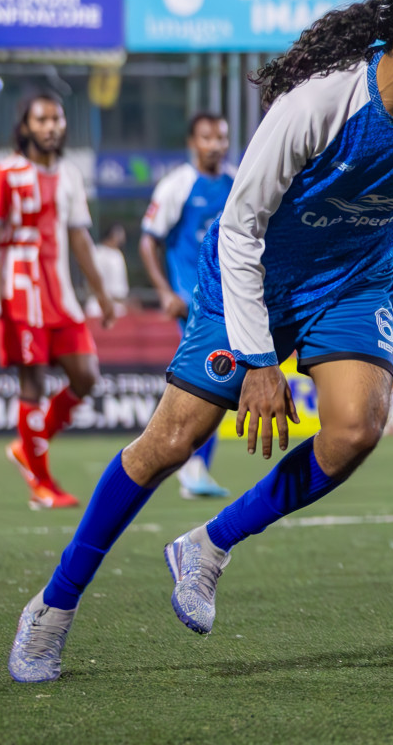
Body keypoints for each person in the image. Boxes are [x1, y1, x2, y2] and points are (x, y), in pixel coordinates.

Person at [8, 0, 393, 683]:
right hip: (258, 275)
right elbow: (240, 231)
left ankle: (209, 544)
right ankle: (53, 607)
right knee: (171, 441)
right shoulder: (319, 103)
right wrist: (261, 362)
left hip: (354, 281)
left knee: (357, 428)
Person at [0, 93, 118, 509]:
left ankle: (27, 446)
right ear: (26, 127)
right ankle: (41, 484)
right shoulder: (7, 173)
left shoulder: (68, 174)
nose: (50, 126)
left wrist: (102, 295)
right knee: (31, 383)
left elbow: (80, 237)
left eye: (56, 119)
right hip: (19, 293)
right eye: (42, 120)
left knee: (86, 376)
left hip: (60, 296)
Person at [140, 112, 235, 498]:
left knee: (220, 378)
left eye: (221, 138)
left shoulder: (235, 182)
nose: (215, 144)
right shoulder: (176, 185)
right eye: (207, 138)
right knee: (211, 375)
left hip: (230, 301)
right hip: (193, 302)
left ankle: (191, 466)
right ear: (192, 142)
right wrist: (165, 291)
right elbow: (149, 240)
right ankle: (189, 467)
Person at [88, 224, 130, 318]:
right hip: (96, 305)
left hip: (117, 306)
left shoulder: (117, 255)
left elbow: (121, 289)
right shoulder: (97, 252)